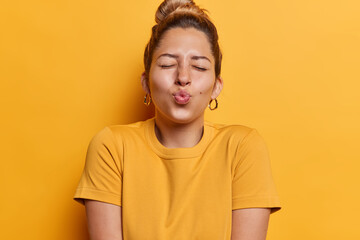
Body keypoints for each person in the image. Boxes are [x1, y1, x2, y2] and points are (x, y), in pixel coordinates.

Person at [74, 0, 281, 239]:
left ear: (216, 86)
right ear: (146, 83)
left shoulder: (242, 147)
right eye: (167, 64)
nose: (183, 77)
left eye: (200, 67)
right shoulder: (111, 146)